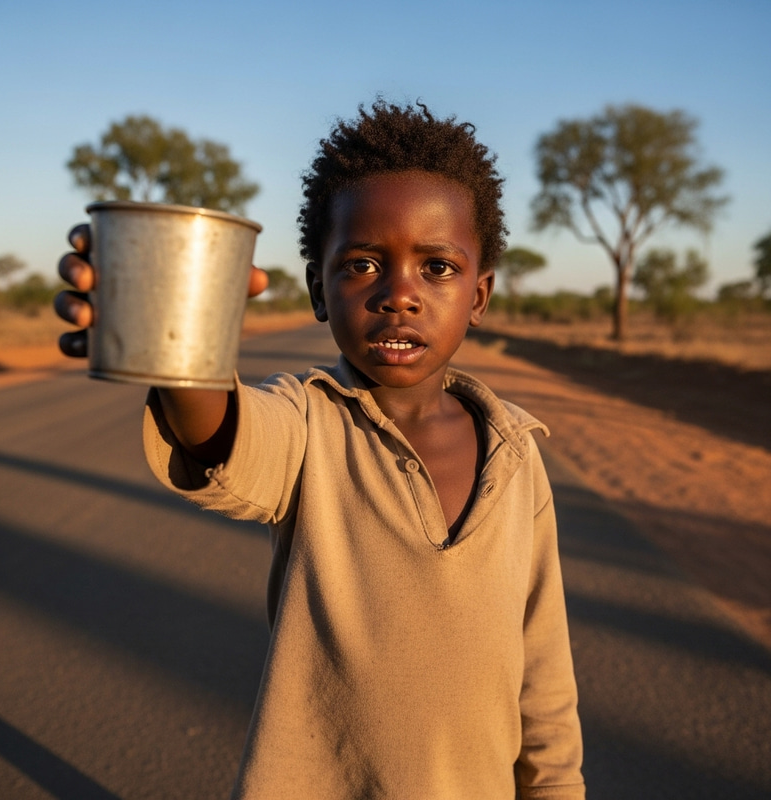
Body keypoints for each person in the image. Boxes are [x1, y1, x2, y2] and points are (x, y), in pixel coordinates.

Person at [56, 99, 585, 799]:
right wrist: (177, 341)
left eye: (437, 267)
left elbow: (544, 672)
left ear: (479, 295)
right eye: (362, 264)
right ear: (318, 289)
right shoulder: (308, 423)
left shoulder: (515, 452)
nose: (399, 295)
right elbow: (225, 438)